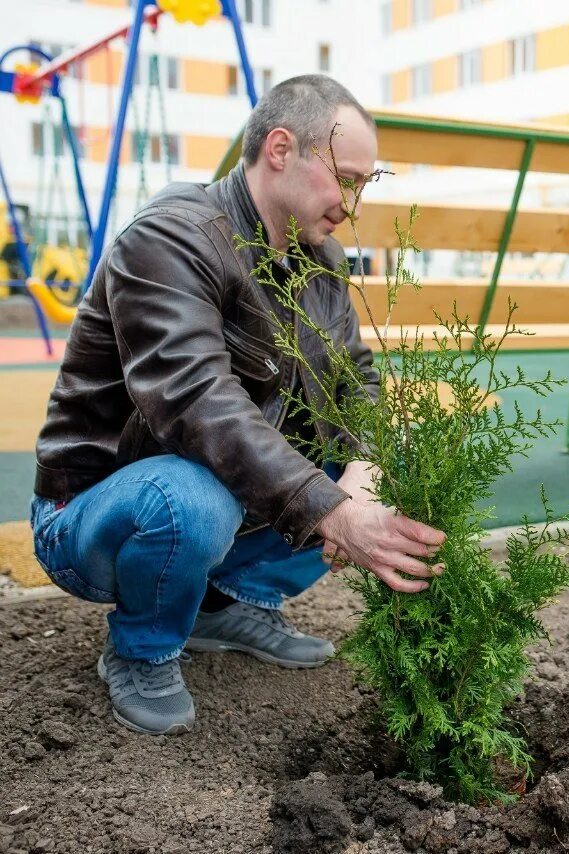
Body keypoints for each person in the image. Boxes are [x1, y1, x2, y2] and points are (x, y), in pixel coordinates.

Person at [29, 75, 446, 737]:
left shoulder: (322, 261)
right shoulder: (169, 241)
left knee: (381, 473)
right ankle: (142, 646)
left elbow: (356, 378)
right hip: (95, 512)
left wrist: (365, 471)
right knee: (192, 498)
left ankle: (221, 605)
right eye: (348, 179)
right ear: (281, 149)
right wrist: (334, 515)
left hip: (223, 499)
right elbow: (198, 403)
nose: (353, 206)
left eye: (367, 185)